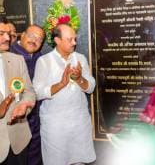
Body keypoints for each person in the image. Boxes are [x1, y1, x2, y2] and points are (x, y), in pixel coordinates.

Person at [32, 24, 96, 165]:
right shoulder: (44, 61)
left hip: (79, 123)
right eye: (70, 39)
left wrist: (79, 79)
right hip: (55, 126)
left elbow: (91, 87)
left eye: (75, 39)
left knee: (80, 160)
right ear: (57, 40)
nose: (74, 42)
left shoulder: (80, 58)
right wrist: (61, 84)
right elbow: (36, 93)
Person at [0, 16, 36, 165]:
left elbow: (29, 92)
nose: (8, 38)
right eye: (1, 33)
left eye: (9, 33)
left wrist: (24, 106)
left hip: (19, 142)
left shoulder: (17, 60)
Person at [10, 24, 45, 165]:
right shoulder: (8, 55)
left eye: (39, 39)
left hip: (35, 119)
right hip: (15, 120)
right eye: (31, 36)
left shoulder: (40, 58)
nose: (34, 41)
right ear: (22, 35)